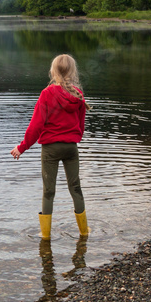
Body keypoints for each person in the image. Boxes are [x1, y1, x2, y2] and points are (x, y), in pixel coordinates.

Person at [11, 54, 91, 240]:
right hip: (71, 148)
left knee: (49, 192)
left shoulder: (47, 94)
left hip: (51, 149)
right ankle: (84, 232)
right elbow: (81, 125)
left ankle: (45, 236)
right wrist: (71, 139)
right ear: (72, 71)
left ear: (53, 71)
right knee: (75, 188)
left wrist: (22, 147)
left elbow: (36, 126)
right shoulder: (78, 94)